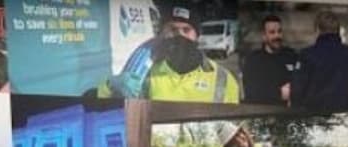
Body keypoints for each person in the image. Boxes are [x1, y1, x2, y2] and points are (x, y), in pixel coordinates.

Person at [97, 2, 241, 103]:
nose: (179, 36)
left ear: (197, 35)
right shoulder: (143, 73)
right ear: (162, 34)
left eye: (186, 30)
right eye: (172, 29)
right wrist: (109, 87)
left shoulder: (224, 80)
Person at [290, 10, 348, 112]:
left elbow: (297, 90)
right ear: (338, 30)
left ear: (318, 29)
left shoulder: (306, 54)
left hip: (315, 111)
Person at [241, 14, 297, 105]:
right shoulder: (253, 61)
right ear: (264, 36)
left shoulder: (291, 56)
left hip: (288, 113)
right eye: (272, 32)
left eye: (279, 31)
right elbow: (251, 93)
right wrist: (279, 93)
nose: (277, 36)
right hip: (264, 114)